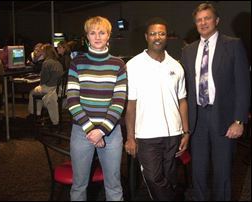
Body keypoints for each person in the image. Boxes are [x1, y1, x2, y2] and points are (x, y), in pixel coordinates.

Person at [180, 3, 250, 201]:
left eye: (207, 18)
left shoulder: (234, 45)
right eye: (199, 20)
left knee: (223, 172)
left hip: (225, 118)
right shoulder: (188, 51)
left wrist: (239, 120)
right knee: (198, 172)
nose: (203, 23)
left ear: (216, 20)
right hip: (197, 118)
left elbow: (243, 86)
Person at [124, 17, 190, 201]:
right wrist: (130, 137)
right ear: (146, 37)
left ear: (167, 37)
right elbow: (131, 104)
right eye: (153, 33)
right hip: (146, 135)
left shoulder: (176, 67)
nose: (157, 37)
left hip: (173, 134)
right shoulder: (133, 65)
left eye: (161, 33)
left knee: (170, 177)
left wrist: (186, 132)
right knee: (153, 178)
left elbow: (182, 100)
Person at [66, 16, 127, 201]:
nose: (97, 36)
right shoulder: (77, 63)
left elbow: (119, 102)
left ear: (108, 36)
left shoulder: (118, 64)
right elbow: (72, 100)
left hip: (111, 132)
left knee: (114, 186)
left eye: (102, 32)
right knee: (79, 186)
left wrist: (101, 131)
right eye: (93, 33)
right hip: (81, 131)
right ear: (87, 37)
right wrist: (91, 130)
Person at [28, 43, 63, 126]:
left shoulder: (46, 63)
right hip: (58, 88)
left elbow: (43, 81)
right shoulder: (57, 62)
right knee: (38, 94)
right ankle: (38, 114)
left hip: (49, 87)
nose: (41, 53)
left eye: (42, 52)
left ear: (46, 53)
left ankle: (34, 114)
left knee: (32, 93)